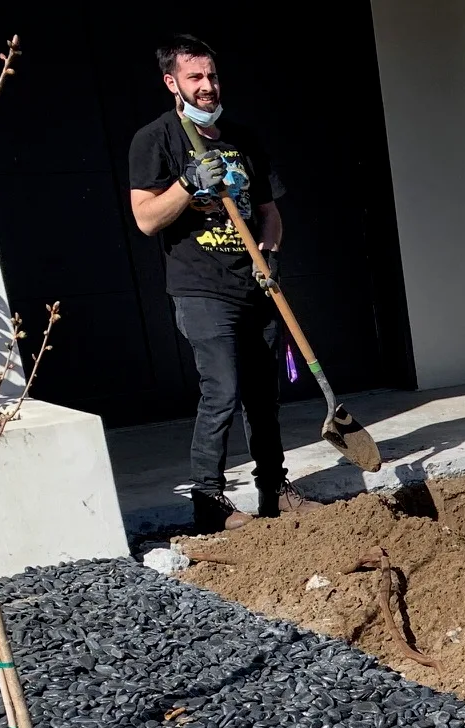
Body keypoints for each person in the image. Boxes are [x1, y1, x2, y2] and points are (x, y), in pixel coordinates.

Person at [128, 35, 307, 532]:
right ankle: (209, 500)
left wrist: (269, 253)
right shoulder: (155, 139)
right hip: (201, 287)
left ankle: (274, 488)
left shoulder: (243, 139)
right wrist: (186, 185)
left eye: (211, 76)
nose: (207, 87)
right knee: (222, 390)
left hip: (255, 283)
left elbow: (270, 213)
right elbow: (145, 219)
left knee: (261, 395)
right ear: (172, 83)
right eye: (194, 78)